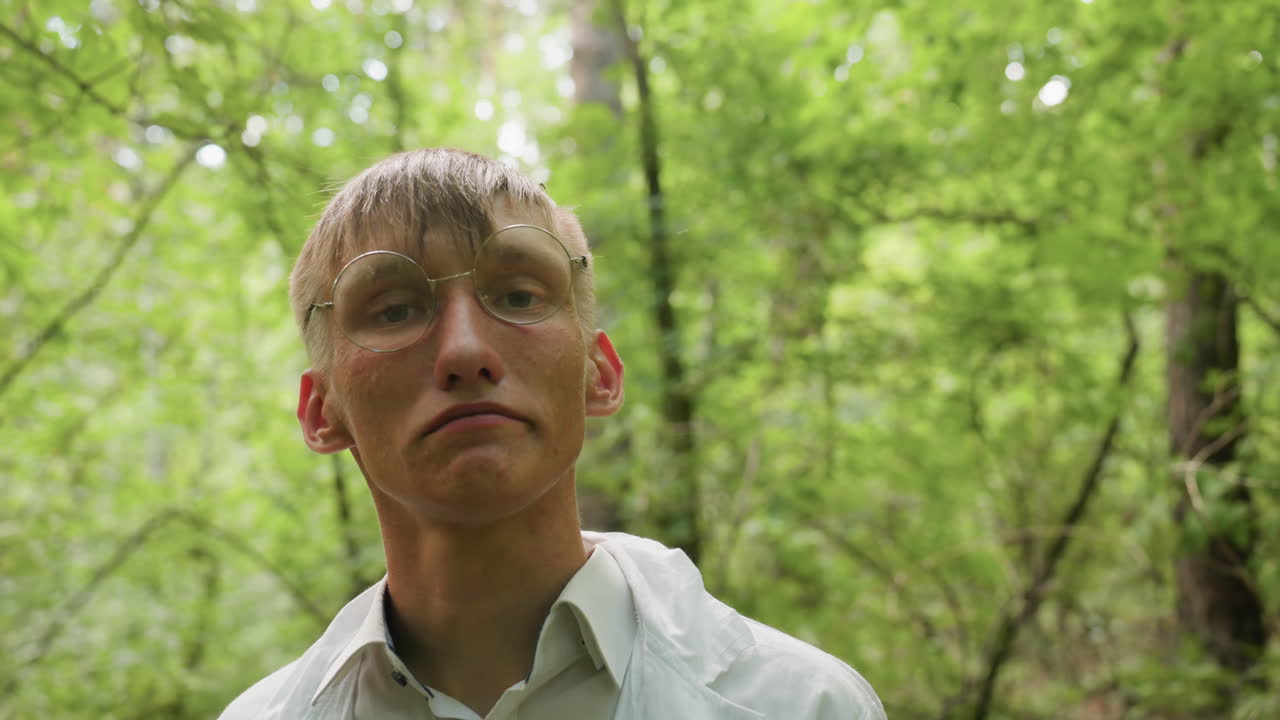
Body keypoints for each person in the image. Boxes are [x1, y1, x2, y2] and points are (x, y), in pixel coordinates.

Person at [219, 148, 886, 720]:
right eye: (394, 309)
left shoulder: (803, 704)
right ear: (320, 411)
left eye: (517, 297)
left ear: (599, 373)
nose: (464, 350)